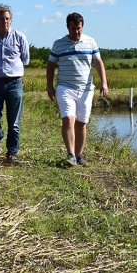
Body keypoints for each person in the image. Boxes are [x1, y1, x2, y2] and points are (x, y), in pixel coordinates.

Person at [46, 12, 109, 166]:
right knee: (68, 119)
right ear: (67, 27)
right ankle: (71, 155)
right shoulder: (58, 44)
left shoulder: (90, 42)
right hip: (65, 87)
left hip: (86, 89)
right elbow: (51, 65)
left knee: (81, 123)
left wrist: (104, 82)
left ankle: (79, 155)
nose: (76, 31)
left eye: (79, 28)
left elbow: (98, 62)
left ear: (82, 27)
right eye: (73, 28)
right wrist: (49, 85)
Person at [0, 4, 30, 163]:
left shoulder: (20, 37)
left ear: (11, 20)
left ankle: (12, 152)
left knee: (14, 122)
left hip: (14, 83)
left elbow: (25, 59)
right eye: (2, 19)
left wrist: (13, 71)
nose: (5, 22)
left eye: (8, 19)